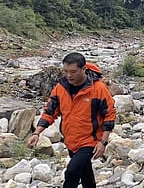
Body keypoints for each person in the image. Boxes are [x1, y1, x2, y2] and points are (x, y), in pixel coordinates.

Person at [26, 52, 116, 188]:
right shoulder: (61, 88)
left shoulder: (98, 89)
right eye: (66, 71)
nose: (69, 75)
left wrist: (103, 142)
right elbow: (50, 111)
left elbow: (109, 115)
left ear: (84, 69)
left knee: (72, 172)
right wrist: (36, 133)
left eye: (73, 72)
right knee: (85, 173)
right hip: (71, 139)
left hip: (90, 140)